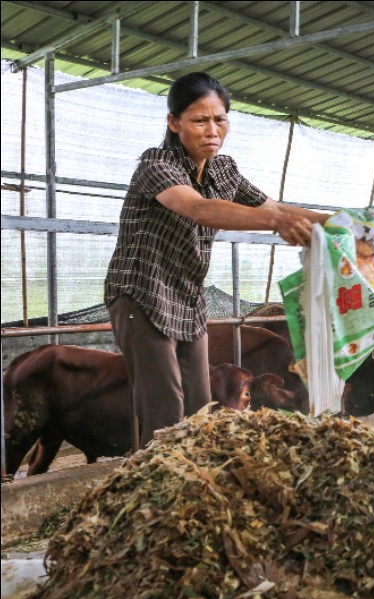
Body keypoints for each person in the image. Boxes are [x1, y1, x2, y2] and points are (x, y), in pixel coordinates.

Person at [104, 72, 329, 445]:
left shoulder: (224, 170)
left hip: (188, 294)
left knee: (200, 403)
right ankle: (156, 488)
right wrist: (276, 222)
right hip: (141, 292)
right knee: (165, 403)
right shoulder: (156, 166)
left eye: (220, 119)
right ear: (174, 123)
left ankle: (195, 481)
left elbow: (273, 205)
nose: (212, 130)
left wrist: (338, 221)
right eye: (199, 120)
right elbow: (199, 208)